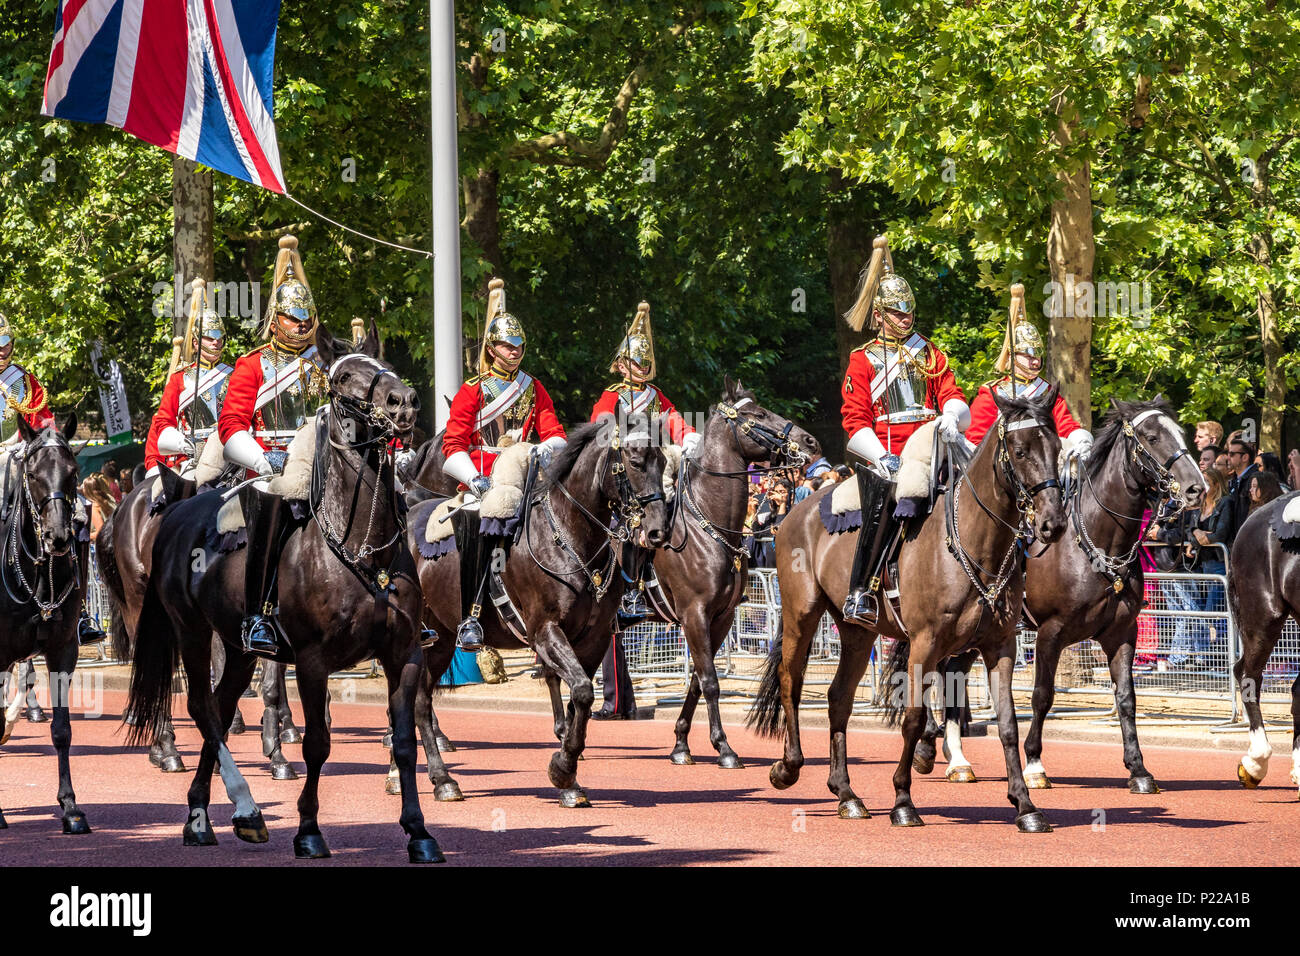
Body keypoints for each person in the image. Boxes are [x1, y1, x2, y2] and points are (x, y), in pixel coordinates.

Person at [838, 237, 970, 625]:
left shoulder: (929, 352)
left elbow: (952, 392)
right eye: (896, 313)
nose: (905, 318)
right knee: (884, 498)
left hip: (934, 446)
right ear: (878, 315)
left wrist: (951, 413)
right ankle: (860, 591)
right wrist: (880, 456)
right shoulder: (862, 360)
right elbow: (854, 418)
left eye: (908, 311)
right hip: (887, 452)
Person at [217, 235, 332, 658]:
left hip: (324, 462)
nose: (301, 326)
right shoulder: (252, 365)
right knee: (269, 503)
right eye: (292, 318)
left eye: (306, 319)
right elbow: (231, 425)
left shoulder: (325, 362)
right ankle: (257, 614)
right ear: (275, 319)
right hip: (271, 467)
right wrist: (262, 457)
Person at [443, 278, 567, 651]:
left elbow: (555, 432)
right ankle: (471, 616)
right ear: (491, 349)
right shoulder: (473, 389)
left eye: (519, 346)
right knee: (476, 519)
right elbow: (453, 445)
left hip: (527, 478)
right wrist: (474, 479)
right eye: (506, 345)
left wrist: (546, 449)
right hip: (483, 480)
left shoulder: (534, 388)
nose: (514, 352)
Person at [589, 301, 696, 622]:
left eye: (647, 361)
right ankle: (629, 590)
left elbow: (674, 419)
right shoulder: (613, 393)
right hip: (625, 467)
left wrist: (688, 434)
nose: (644, 365)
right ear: (623, 365)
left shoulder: (655, 395)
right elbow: (601, 429)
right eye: (638, 361)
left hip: (654, 461)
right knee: (637, 515)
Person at [964, 287, 1093, 453]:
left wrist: (1080, 439)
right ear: (1013, 356)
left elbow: (1065, 425)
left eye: (1037, 354)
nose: (1035, 361)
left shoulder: (1046, 391)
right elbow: (976, 438)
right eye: (1029, 354)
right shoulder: (993, 392)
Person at [144, 279, 233, 476]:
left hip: (229, 455)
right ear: (196, 342)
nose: (216, 343)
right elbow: (164, 420)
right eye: (209, 338)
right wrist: (184, 444)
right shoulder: (180, 378)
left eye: (220, 338)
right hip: (192, 458)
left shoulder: (233, 375)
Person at [0, 312, 56, 444]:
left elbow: (43, 424)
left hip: (16, 456)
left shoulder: (27, 382)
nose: (2, 352)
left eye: (6, 345)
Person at [1225, 437, 1258, 543]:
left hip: (1251, 541)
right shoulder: (1233, 481)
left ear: (1245, 457)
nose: (1228, 457)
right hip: (1236, 543)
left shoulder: (1255, 479)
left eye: (1232, 454)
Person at [81, 473, 116, 544]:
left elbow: (100, 532)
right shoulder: (110, 499)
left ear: (87, 490)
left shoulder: (94, 507)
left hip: (103, 547)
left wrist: (85, 535)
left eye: (83, 487)